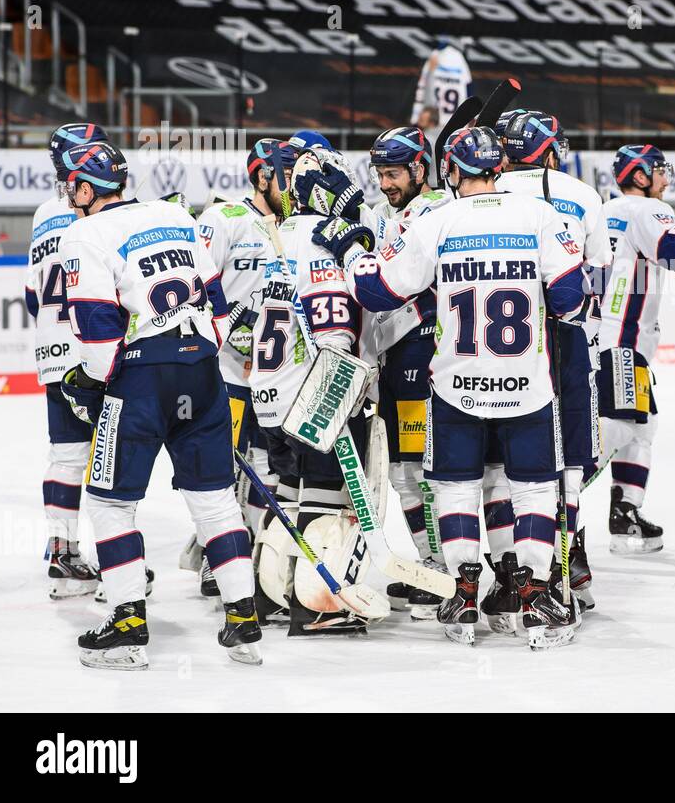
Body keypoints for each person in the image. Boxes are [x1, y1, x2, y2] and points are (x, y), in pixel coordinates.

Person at [319, 125, 586, 649]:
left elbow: (377, 293)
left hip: (455, 385)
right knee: (529, 488)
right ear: (499, 168)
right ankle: (532, 596)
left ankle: (463, 591)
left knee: (456, 487)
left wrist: (351, 249)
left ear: (450, 172)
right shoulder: (539, 215)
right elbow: (572, 301)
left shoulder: (437, 219)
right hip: (527, 385)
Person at [56, 140, 260, 669]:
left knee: (109, 502)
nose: (67, 194)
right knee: (215, 499)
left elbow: (99, 338)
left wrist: (93, 379)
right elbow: (218, 306)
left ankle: (127, 623)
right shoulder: (174, 213)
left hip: (142, 378)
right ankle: (242, 617)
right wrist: (195, 355)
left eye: (70, 183)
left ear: (85, 188)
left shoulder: (84, 233)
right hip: (202, 367)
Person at [246, 144, 381, 636]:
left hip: (270, 394)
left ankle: (265, 594)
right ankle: (316, 607)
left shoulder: (281, 233)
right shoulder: (325, 242)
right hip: (311, 396)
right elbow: (334, 335)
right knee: (324, 504)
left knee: (287, 496)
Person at [497, 111, 612, 609]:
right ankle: (568, 550)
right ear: (550, 149)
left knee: (505, 460)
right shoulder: (581, 193)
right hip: (566, 336)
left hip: (499, 349)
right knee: (570, 452)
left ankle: (508, 565)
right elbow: (599, 271)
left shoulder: (485, 190)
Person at [355, 127, 452, 619]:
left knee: (420, 471)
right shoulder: (388, 214)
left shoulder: (435, 212)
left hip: (424, 352)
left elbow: (391, 285)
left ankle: (442, 567)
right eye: (379, 174)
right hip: (393, 357)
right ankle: (430, 561)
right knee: (401, 473)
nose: (385, 183)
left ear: (420, 169)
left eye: (393, 173)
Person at [191, 139, 290, 606]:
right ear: (260, 177)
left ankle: (247, 547)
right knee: (224, 465)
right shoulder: (224, 218)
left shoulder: (294, 224)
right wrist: (232, 330)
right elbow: (197, 284)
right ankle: (216, 555)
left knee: (268, 467)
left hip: (276, 374)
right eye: (282, 174)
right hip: (228, 369)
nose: (290, 183)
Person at [585, 145, 675, 554]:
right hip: (623, 338)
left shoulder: (603, 209)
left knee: (642, 427)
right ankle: (565, 492)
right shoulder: (646, 210)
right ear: (641, 175)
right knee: (623, 425)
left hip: (601, 333)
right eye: (660, 170)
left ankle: (624, 515)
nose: (666, 179)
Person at [25, 125, 106, 600]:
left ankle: (62, 548)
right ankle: (118, 563)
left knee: (66, 454)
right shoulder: (93, 210)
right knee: (111, 457)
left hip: (52, 351)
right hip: (91, 352)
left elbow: (34, 296)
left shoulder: (43, 213)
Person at [412, 37, 471, 125]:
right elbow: (468, 87)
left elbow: (424, 89)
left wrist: (416, 115)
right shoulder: (458, 58)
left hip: (436, 120)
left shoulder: (435, 58)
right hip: (454, 123)